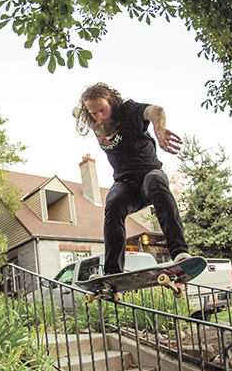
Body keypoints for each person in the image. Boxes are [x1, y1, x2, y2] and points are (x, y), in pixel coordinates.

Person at [73, 82, 190, 275]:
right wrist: (78, 111)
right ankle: (113, 272)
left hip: (148, 175)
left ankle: (180, 253)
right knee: (113, 203)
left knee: (156, 181)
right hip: (125, 184)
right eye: (94, 113)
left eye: (103, 109)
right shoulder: (91, 118)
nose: (100, 116)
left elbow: (155, 110)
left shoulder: (128, 111)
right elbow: (77, 111)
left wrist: (159, 128)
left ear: (111, 102)